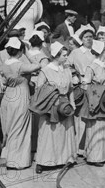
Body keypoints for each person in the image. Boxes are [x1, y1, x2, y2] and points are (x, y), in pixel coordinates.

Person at [33, 42, 77, 173]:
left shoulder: (67, 70)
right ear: (56, 56)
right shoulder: (45, 71)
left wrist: (72, 102)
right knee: (49, 134)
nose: (66, 57)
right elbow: (39, 90)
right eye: (64, 55)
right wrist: (51, 99)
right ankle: (43, 161)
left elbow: (71, 89)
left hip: (65, 104)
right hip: (50, 105)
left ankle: (64, 159)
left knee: (64, 132)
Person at [0, 37, 42, 169]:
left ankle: (5, 156)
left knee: (8, 128)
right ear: (20, 51)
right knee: (20, 128)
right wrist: (27, 52)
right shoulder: (20, 65)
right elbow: (39, 64)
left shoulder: (5, 63)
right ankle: (16, 161)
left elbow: (5, 81)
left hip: (8, 96)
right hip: (20, 97)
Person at [83, 40, 105, 166]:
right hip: (96, 101)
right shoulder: (91, 67)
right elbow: (85, 85)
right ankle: (94, 157)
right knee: (97, 128)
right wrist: (101, 89)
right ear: (103, 51)